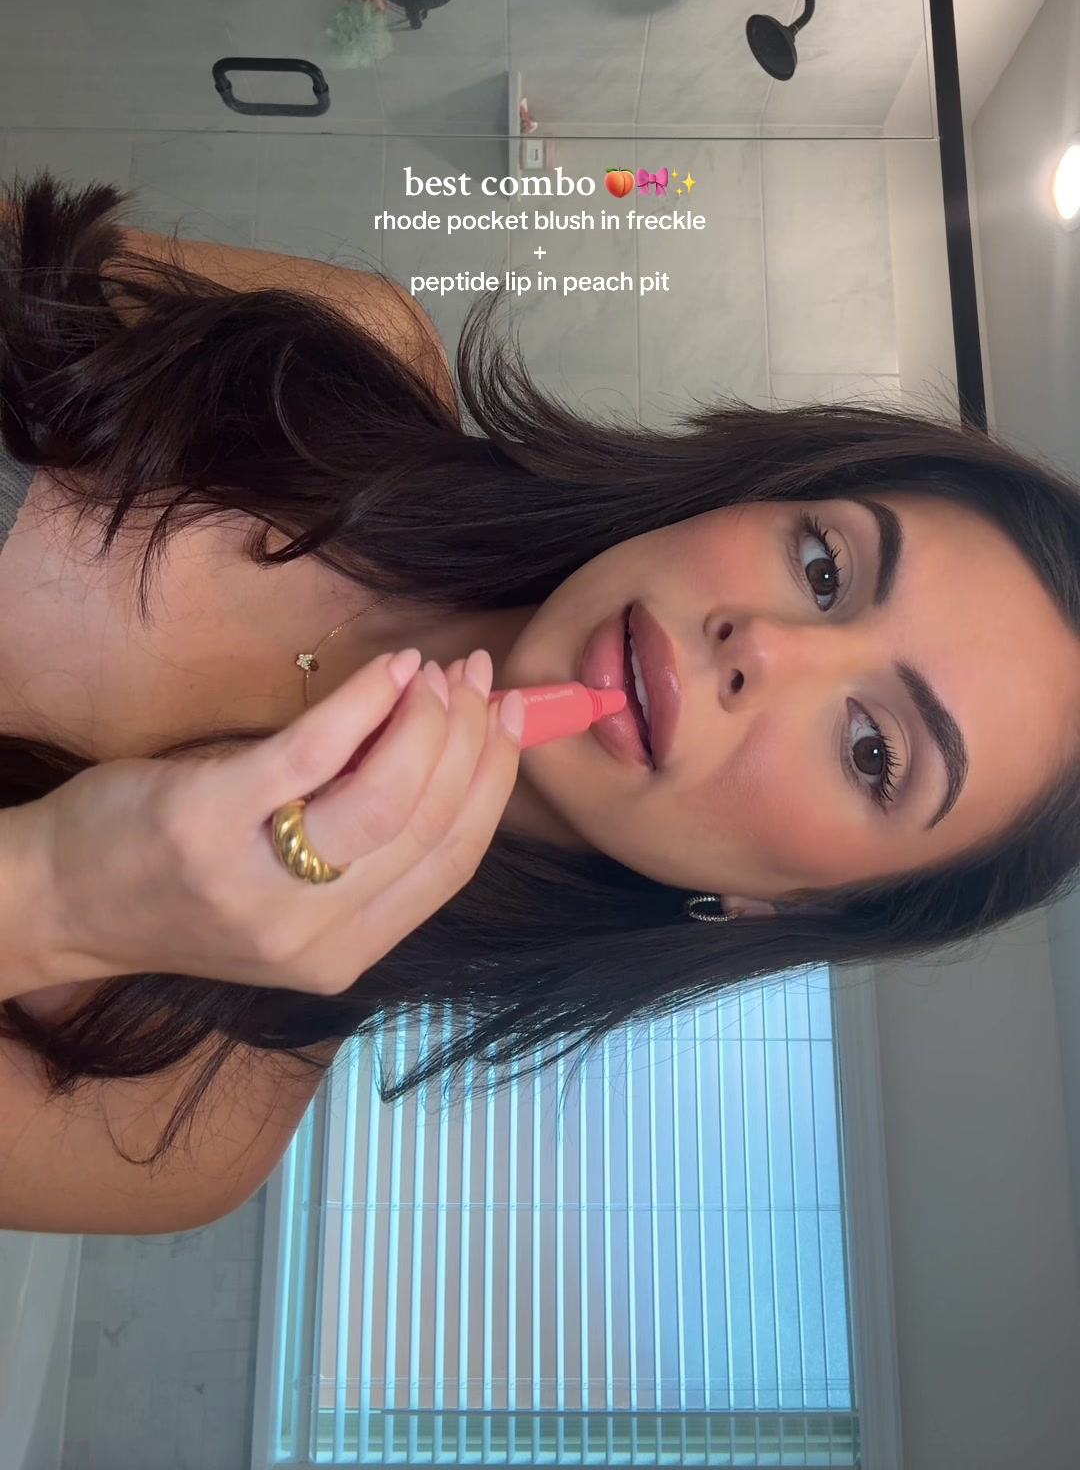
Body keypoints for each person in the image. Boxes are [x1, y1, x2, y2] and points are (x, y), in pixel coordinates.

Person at [1, 168, 1079, 1235]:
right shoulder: (340, 354)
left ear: (794, 905)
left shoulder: (174, 1130)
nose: (766, 646)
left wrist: (63, 901)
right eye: (824, 568)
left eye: (872, 750)